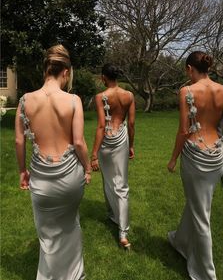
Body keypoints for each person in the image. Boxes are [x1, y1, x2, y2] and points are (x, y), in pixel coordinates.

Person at [15, 44, 91, 280]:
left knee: (47, 234)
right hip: (70, 177)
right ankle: (73, 275)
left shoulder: (25, 100)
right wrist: (88, 168)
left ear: (45, 69)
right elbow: (78, 142)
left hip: (42, 180)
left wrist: (22, 172)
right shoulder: (73, 100)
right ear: (66, 72)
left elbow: (19, 141)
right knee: (69, 226)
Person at [167, 51, 223, 280]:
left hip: (195, 155)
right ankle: (180, 241)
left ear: (189, 69)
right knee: (198, 203)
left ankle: (206, 274)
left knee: (201, 215)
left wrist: (173, 158)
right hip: (217, 155)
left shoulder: (187, 91)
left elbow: (184, 130)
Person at [91, 63, 135, 250]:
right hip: (122, 139)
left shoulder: (100, 97)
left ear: (103, 78)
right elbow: (131, 123)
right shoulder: (129, 95)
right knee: (121, 183)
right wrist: (131, 145)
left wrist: (93, 154)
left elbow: (102, 126)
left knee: (109, 181)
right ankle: (121, 228)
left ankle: (114, 218)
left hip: (106, 142)